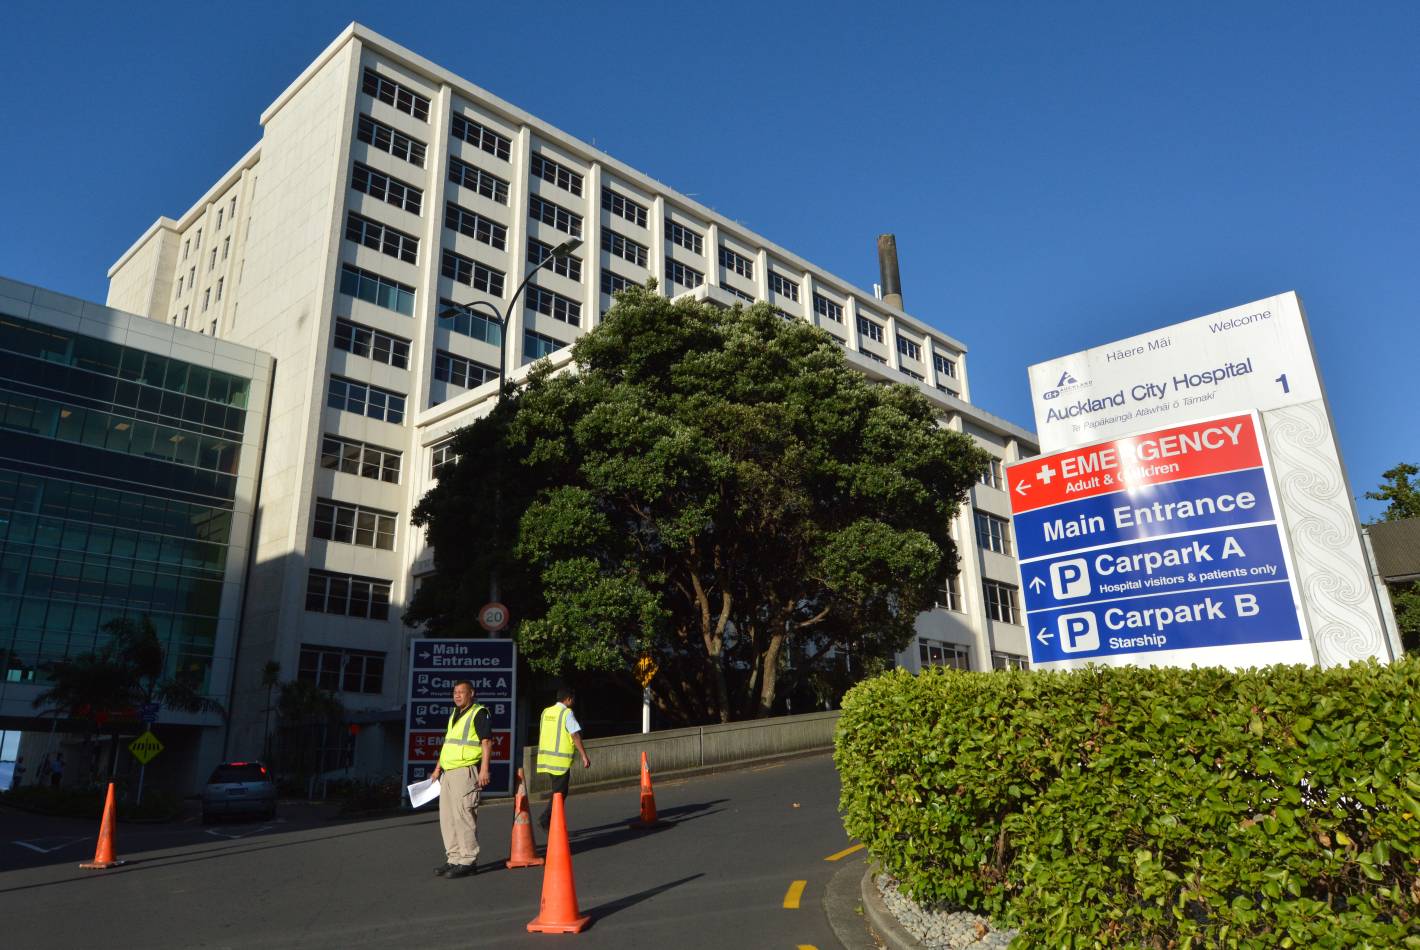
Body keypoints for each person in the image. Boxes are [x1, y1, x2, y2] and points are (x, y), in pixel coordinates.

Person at [429, 680, 491, 879]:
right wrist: (438, 769)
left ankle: (468, 860)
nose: (457, 695)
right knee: (447, 818)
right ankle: (454, 858)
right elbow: (448, 744)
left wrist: (484, 770)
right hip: (448, 772)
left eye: (461, 692)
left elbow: (486, 742)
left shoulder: (479, 713)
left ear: (471, 693)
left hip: (465, 772)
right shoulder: (455, 714)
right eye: (454, 692)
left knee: (464, 816)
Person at [535, 687, 591, 830]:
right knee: (560, 793)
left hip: (546, 758)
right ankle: (547, 819)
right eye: (573, 699)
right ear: (568, 699)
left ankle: (551, 821)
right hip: (560, 761)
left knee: (557, 791)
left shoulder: (546, 712)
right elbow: (575, 735)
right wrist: (584, 755)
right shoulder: (567, 713)